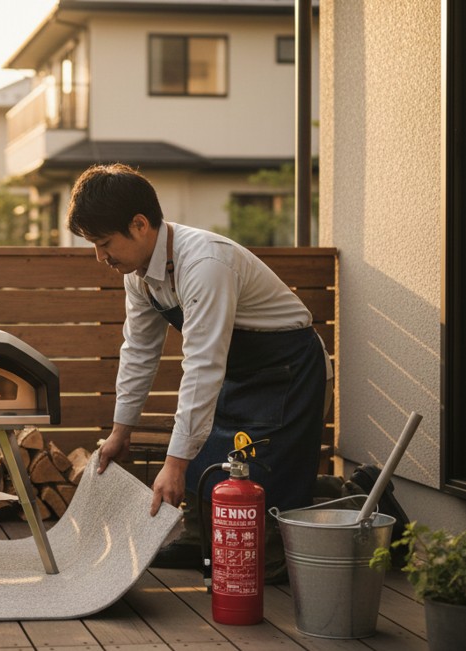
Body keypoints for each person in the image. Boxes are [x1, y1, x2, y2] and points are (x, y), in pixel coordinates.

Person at [66, 163, 332, 581]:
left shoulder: (205, 263)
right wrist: (121, 430)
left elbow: (203, 365)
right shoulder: (140, 275)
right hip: (236, 366)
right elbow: (139, 351)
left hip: (287, 370)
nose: (101, 257)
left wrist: (173, 464)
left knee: (261, 475)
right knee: (207, 452)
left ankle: (332, 509)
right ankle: (198, 536)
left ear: (139, 225)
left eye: (104, 243)